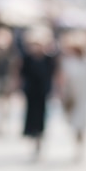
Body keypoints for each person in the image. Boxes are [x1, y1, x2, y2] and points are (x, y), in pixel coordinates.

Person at [57, 30, 86, 160]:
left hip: (84, 96)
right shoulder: (67, 62)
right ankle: (77, 142)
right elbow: (63, 79)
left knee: (82, 121)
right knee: (73, 121)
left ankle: (80, 145)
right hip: (72, 95)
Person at [20, 26, 57, 159]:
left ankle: (39, 139)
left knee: (42, 116)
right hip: (31, 92)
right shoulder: (27, 58)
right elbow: (21, 74)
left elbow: (53, 75)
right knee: (31, 116)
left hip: (42, 92)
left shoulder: (49, 58)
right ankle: (33, 137)